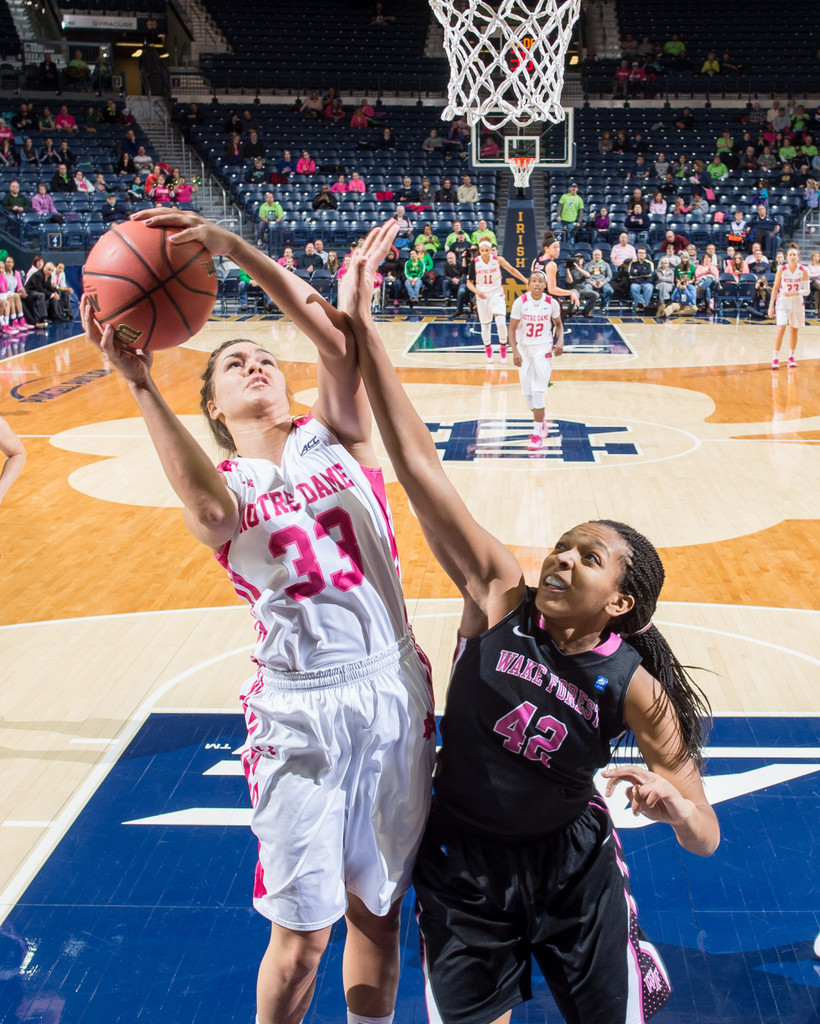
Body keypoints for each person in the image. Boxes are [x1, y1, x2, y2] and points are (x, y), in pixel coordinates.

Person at [345, 220, 720, 1024]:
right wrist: (365, 330)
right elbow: (416, 467)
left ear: (620, 603)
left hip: (571, 866)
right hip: (461, 859)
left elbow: (705, 837)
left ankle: (629, 947)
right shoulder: (497, 592)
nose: (560, 559)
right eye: (562, 545)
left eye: (588, 558)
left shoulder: (636, 688)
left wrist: (676, 807)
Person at [81, 210, 436, 1024]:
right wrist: (139, 382)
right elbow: (205, 513)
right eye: (234, 363)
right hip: (298, 708)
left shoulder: (336, 437)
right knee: (302, 937)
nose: (254, 365)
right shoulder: (229, 485)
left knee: (379, 916)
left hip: (391, 689)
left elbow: (340, 345)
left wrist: (236, 251)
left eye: (265, 358)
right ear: (211, 405)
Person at [508, 270, 564, 451]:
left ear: (545, 285)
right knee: (528, 396)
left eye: (541, 281)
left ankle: (536, 435)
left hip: (543, 349)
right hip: (524, 349)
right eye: (534, 281)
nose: (537, 284)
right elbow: (512, 329)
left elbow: (559, 325)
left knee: (538, 391)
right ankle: (542, 418)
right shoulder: (520, 302)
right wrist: (515, 350)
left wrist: (560, 341)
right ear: (528, 284)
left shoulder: (551, 303)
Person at [466, 238, 529, 363]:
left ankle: (503, 348)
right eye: (482, 250)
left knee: (500, 322)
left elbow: (511, 270)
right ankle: (488, 350)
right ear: (479, 251)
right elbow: (469, 283)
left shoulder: (498, 260)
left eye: (487, 250)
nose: (484, 252)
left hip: (496, 294)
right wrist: (477, 291)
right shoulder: (475, 263)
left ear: (491, 250)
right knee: (485, 325)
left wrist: (525, 280)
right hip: (482, 296)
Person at [769, 245, 808, 369]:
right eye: (790, 255)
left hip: (797, 301)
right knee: (781, 328)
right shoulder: (782, 269)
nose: (792, 257)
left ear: (798, 257)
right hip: (783, 301)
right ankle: (775, 358)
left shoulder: (803, 270)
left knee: (794, 330)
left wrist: (794, 293)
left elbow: (807, 291)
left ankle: (791, 357)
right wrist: (771, 306)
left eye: (794, 255)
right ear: (787, 257)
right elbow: (775, 288)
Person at [627, 247, 655, 311]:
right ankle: (644, 305)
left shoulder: (649, 263)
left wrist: (637, 271)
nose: (641, 254)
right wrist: (643, 273)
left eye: (643, 253)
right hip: (636, 282)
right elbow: (631, 274)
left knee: (649, 288)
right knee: (633, 287)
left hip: (647, 282)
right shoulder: (632, 263)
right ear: (637, 254)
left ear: (645, 255)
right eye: (639, 253)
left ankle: (640, 307)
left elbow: (649, 274)